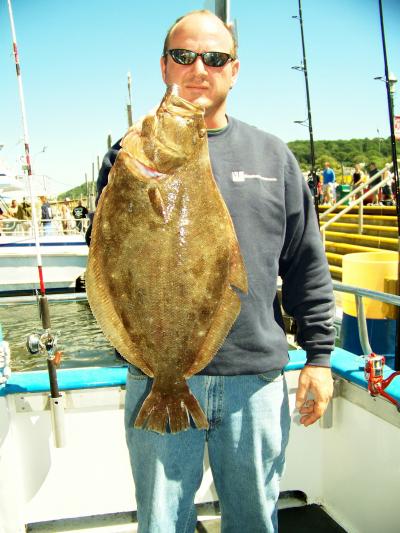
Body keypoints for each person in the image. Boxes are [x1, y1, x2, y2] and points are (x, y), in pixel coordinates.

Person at [87, 10, 335, 532]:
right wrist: (128, 173)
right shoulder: (124, 158)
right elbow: (105, 261)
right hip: (157, 376)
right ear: (164, 67)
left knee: (254, 518)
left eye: (215, 58)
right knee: (160, 521)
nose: (199, 68)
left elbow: (307, 263)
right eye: (184, 56)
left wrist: (319, 357)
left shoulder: (274, 156)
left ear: (234, 70)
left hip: (256, 380)